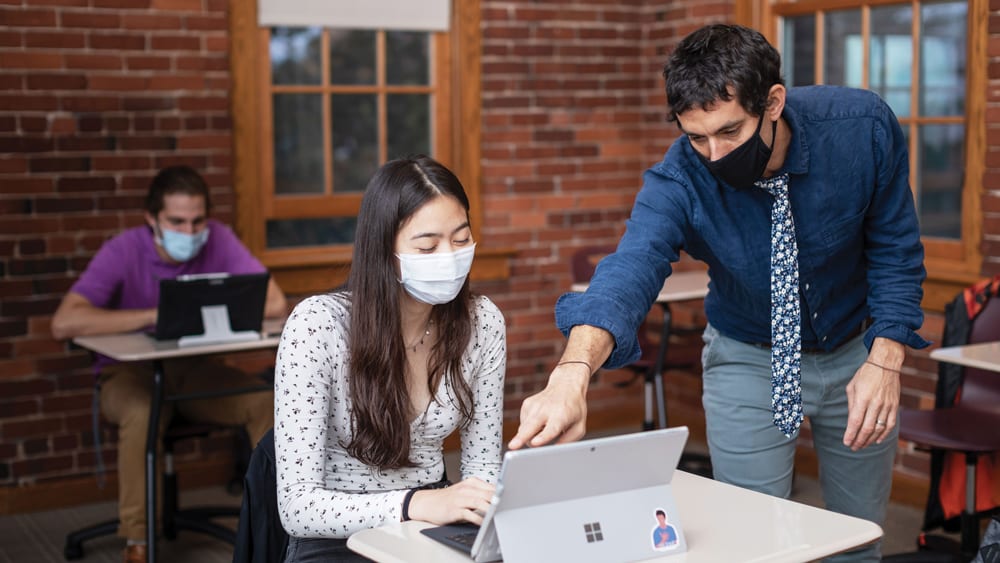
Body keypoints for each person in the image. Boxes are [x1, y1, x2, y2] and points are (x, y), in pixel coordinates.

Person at [510, 24, 928, 562]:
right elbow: (630, 267)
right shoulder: (681, 177)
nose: (713, 154)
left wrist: (887, 360)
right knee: (749, 539)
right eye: (696, 137)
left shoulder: (860, 129)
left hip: (859, 351)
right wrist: (573, 372)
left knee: (858, 536)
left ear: (773, 102)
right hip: (747, 356)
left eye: (729, 132)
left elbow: (896, 246)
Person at [274, 155, 506, 562]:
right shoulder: (317, 326)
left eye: (461, 238)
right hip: (336, 535)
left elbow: (482, 464)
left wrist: (477, 518)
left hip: (435, 520)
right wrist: (411, 505)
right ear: (384, 250)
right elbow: (297, 507)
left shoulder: (483, 323)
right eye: (427, 245)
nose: (449, 256)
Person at [51, 165, 288, 563]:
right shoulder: (123, 250)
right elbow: (64, 322)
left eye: (198, 221)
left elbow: (276, 303)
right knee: (143, 409)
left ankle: (278, 525)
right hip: (127, 375)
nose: (190, 232)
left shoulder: (219, 241)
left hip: (195, 373)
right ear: (152, 219)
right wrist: (153, 315)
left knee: (263, 400)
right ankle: (137, 541)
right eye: (177, 222)